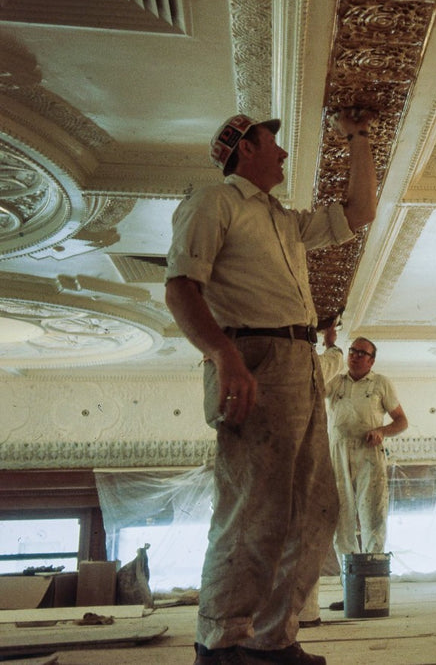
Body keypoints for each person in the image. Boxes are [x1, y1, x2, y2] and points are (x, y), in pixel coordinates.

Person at [165, 109, 376, 665]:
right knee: (253, 508)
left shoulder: (281, 219)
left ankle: (271, 639)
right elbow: (182, 289)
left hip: (300, 360)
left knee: (312, 509)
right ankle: (222, 643)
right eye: (272, 143)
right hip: (252, 356)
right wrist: (224, 355)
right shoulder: (214, 202)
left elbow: (360, 211)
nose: (284, 154)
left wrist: (359, 138)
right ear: (244, 150)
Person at [320, 328, 407, 603]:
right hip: (338, 452)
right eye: (353, 351)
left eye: (362, 353)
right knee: (341, 521)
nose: (355, 356)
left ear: (372, 360)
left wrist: (382, 431)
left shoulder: (381, 383)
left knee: (373, 518)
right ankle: (352, 594)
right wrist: (329, 345)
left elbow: (401, 421)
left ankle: (375, 594)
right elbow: (315, 381)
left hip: (369, 452)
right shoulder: (336, 382)